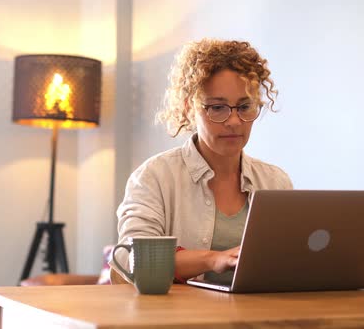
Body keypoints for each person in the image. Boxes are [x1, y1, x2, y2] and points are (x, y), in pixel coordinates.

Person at [109, 38, 293, 285]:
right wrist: (212, 259)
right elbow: (131, 257)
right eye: (217, 108)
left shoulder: (275, 181)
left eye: (244, 106)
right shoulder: (154, 176)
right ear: (189, 108)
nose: (234, 121)